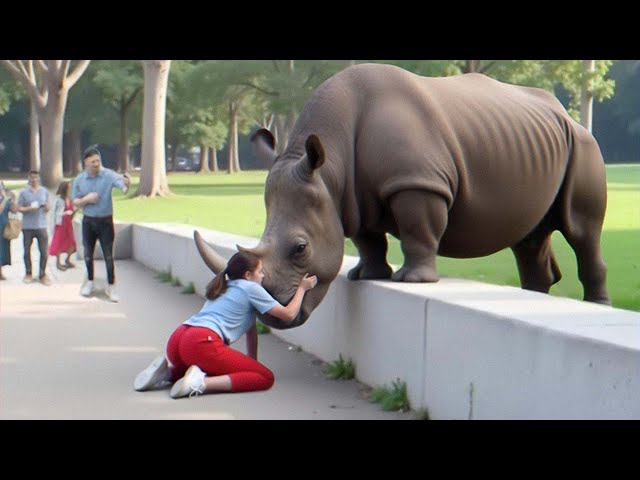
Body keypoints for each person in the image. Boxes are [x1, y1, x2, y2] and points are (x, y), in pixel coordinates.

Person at [133, 250, 318, 399]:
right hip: (201, 342)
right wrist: (302, 288)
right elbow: (288, 314)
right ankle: (200, 384)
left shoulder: (225, 286)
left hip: (178, 339)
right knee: (265, 378)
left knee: (195, 368)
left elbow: (250, 330)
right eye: (260, 272)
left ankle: (165, 375)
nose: (262, 276)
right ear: (248, 275)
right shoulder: (251, 288)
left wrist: (250, 364)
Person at [71, 146, 130, 302]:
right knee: (88, 254)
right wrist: (87, 199)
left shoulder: (108, 175)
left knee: (108, 256)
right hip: (88, 221)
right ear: (86, 163)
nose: (96, 164)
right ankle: (89, 281)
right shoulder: (80, 180)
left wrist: (127, 183)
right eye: (93, 162)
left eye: (98, 161)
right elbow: (74, 202)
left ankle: (111, 286)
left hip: (105, 221)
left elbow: (123, 188)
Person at [16, 170, 51, 285]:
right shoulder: (24, 192)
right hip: (28, 226)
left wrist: (46, 207)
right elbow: (18, 208)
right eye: (32, 178)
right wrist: (29, 209)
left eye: (36, 178)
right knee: (27, 251)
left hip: (41, 225)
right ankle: (28, 273)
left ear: (38, 179)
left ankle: (42, 274)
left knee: (44, 251)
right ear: (29, 179)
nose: (34, 180)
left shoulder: (44, 191)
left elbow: (48, 207)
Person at [49, 181, 77, 271]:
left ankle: (67, 259)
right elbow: (57, 213)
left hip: (68, 224)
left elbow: (72, 213)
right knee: (59, 243)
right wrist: (65, 213)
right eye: (69, 188)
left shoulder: (70, 199)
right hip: (61, 224)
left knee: (71, 242)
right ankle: (58, 263)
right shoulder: (59, 200)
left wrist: (74, 211)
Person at [0, 181, 18, 280]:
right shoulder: (4, 200)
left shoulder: (6, 199)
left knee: (3, 250)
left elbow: (14, 210)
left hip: (4, 228)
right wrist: (4, 199)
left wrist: (13, 200)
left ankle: (0, 272)